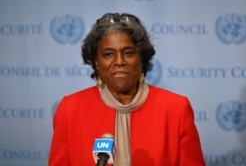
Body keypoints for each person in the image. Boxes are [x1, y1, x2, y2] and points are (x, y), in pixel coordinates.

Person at [48, 12, 206, 166]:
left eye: (128, 53)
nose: (119, 61)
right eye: (108, 54)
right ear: (97, 62)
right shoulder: (70, 109)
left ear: (142, 59)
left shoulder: (175, 108)